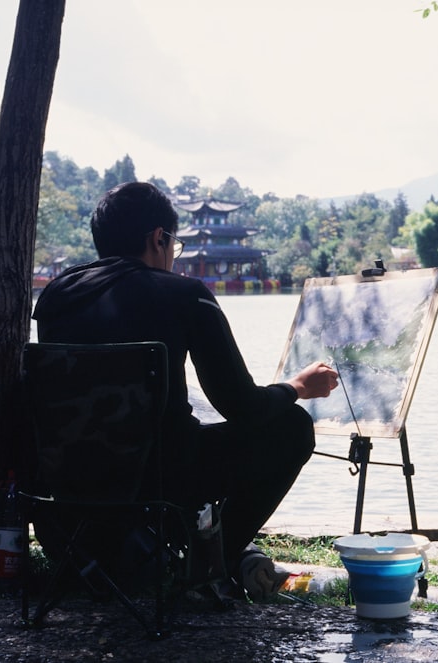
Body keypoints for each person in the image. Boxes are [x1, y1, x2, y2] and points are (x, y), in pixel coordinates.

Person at [31, 181, 338, 601]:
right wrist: (296, 387)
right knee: (291, 427)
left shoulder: (55, 297)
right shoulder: (184, 295)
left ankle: (146, 555)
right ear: (160, 238)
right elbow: (241, 406)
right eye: (173, 245)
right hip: (157, 482)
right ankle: (206, 562)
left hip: (64, 485)